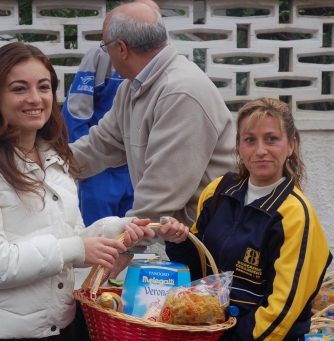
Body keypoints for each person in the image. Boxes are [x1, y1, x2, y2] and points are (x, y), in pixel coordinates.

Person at [0, 42, 155, 341]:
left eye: (43, 87)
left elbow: (70, 240)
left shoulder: (53, 157)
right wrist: (78, 248)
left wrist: (121, 229)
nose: (35, 98)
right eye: (19, 89)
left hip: (60, 326)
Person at [164, 97, 333, 340]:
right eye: (250, 140)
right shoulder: (218, 192)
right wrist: (179, 241)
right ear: (239, 146)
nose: (260, 150)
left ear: (291, 145)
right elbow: (199, 272)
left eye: (271, 139)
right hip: (206, 332)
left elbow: (281, 313)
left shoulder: (295, 216)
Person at [69, 2, 236, 245]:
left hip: (211, 239)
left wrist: (119, 245)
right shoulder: (131, 88)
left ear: (122, 49)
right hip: (180, 238)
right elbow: (100, 145)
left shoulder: (180, 92)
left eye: (106, 47)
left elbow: (160, 196)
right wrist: (40, 166)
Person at [62, 0, 162, 227]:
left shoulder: (163, 66)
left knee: (133, 239)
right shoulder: (101, 54)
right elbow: (76, 111)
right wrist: (78, 164)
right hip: (101, 168)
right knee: (98, 237)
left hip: (137, 169)